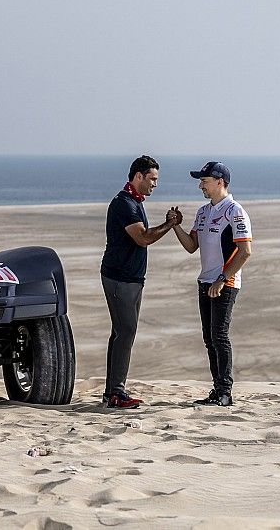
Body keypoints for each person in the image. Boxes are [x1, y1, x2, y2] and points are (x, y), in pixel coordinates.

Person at [169, 161, 252, 407]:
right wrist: (175, 226)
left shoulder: (234, 211)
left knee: (219, 335)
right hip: (205, 281)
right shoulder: (203, 212)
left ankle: (225, 392)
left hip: (225, 283)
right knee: (209, 338)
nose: (200, 185)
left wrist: (222, 279)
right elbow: (191, 246)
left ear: (220, 182)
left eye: (204, 181)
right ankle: (217, 390)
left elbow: (245, 251)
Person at [100, 155, 177, 408]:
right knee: (126, 332)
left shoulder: (134, 201)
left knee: (121, 333)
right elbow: (143, 238)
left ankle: (112, 391)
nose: (155, 184)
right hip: (120, 279)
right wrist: (170, 223)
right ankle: (116, 394)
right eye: (152, 179)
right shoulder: (125, 204)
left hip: (130, 279)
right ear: (138, 176)